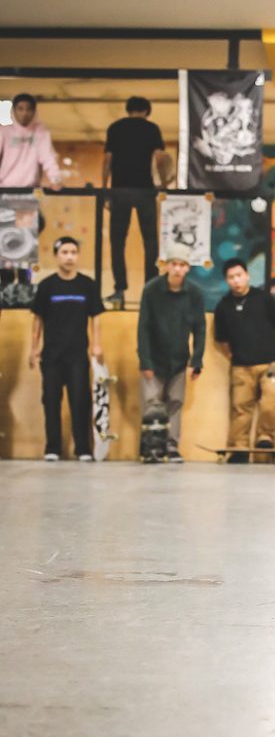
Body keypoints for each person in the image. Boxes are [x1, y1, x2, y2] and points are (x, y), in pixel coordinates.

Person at [29, 236, 104, 461]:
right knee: (51, 402)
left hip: (77, 355)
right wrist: (34, 347)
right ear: (56, 256)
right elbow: (37, 319)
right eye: (64, 252)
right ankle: (52, 448)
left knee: (80, 402)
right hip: (52, 355)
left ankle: (82, 448)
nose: (69, 257)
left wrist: (97, 344)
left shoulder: (87, 285)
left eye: (73, 252)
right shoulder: (47, 286)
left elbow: (96, 317)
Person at [214, 258, 275, 464]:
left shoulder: (263, 298)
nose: (236, 281)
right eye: (231, 277)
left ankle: (265, 440)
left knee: (270, 403)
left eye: (239, 275)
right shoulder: (223, 306)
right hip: (241, 367)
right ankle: (239, 448)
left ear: (247, 276)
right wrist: (233, 357)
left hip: (269, 364)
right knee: (240, 409)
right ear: (227, 280)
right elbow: (222, 339)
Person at [137, 245, 205, 463]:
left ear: (188, 268)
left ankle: (171, 446)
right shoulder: (151, 290)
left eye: (182, 265)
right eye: (174, 264)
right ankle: (151, 447)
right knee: (152, 404)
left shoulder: (194, 293)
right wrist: (145, 361)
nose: (177, 269)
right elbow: (143, 327)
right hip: (153, 358)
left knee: (175, 402)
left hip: (178, 359)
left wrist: (196, 360)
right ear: (166, 266)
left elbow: (200, 328)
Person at [103, 96, 169, 308]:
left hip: (119, 190)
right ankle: (150, 289)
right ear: (147, 111)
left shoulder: (115, 128)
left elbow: (107, 159)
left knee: (117, 242)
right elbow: (160, 158)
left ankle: (119, 290)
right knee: (150, 242)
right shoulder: (152, 129)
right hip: (144, 190)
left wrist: (104, 189)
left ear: (128, 109)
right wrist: (163, 183)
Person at [0, 93, 62, 298]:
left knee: (25, 247)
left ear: (34, 111)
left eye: (28, 109)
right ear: (14, 110)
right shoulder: (4, 131)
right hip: (5, 194)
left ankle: (24, 292)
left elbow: (47, 156)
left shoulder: (40, 131)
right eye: (20, 109)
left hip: (26, 197)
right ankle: (5, 292)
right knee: (6, 246)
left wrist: (55, 178)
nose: (24, 113)